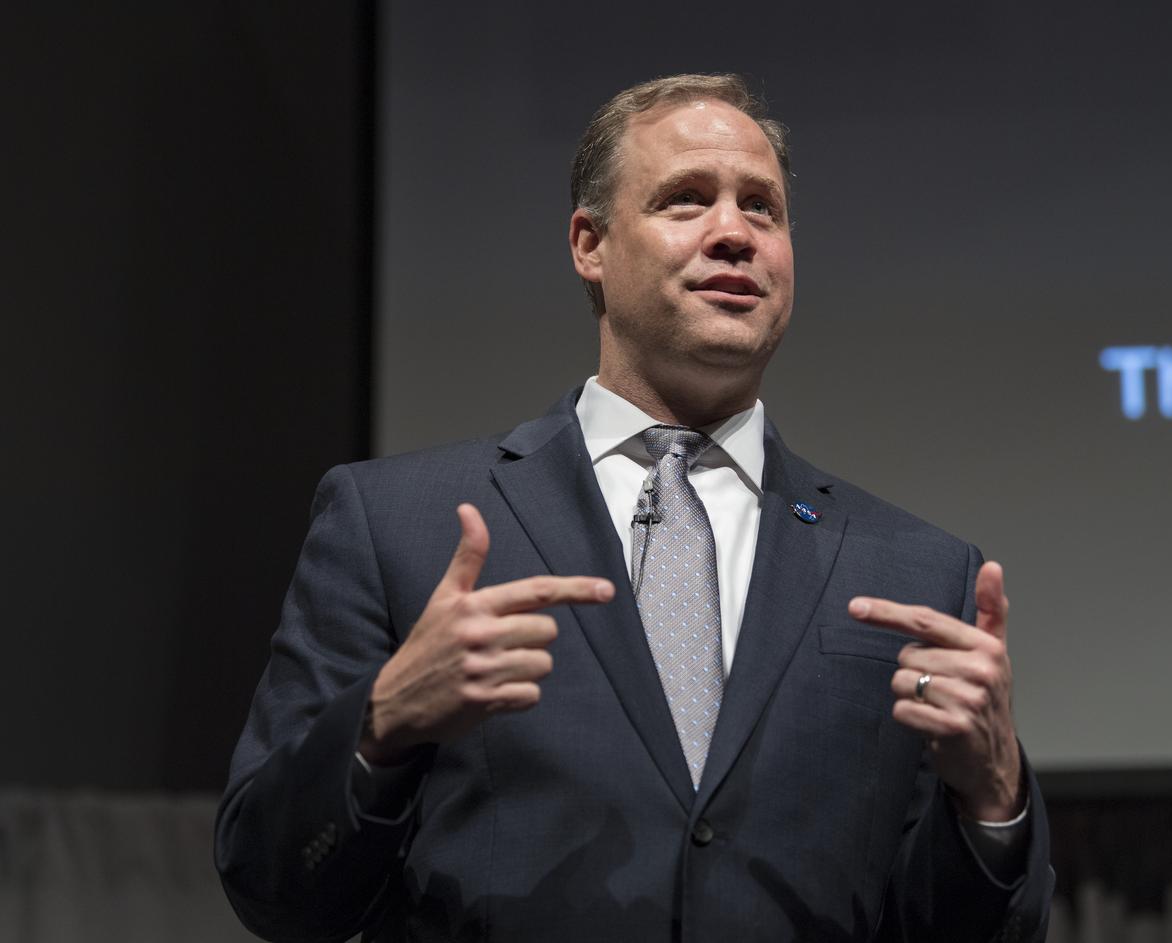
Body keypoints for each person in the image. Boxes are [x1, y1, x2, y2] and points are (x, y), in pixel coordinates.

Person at [216, 73, 1053, 942]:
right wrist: (381, 725)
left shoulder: (914, 570)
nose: (733, 233)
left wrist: (993, 801)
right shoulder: (394, 523)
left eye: (762, 208)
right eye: (686, 200)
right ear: (590, 244)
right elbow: (274, 887)